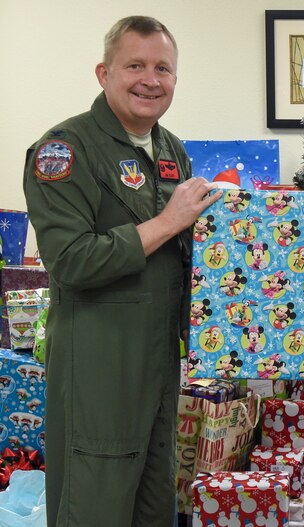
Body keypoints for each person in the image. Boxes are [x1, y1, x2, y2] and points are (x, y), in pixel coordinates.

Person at [22, 16, 220, 526]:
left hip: (159, 369)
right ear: (103, 72)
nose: (150, 80)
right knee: (96, 506)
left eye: (163, 68)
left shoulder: (171, 150)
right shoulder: (64, 151)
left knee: (154, 506)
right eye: (135, 65)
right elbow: (71, 260)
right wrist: (166, 221)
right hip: (100, 367)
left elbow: (183, 257)